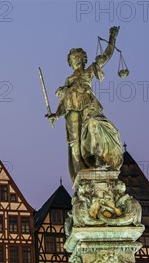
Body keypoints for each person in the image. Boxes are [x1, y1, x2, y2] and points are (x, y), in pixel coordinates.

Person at [47, 26, 123, 183]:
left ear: (83, 59)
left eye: (78, 56)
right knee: (74, 140)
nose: (75, 59)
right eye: (73, 58)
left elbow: (105, 57)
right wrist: (55, 114)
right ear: (70, 62)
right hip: (70, 111)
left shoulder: (88, 71)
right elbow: (64, 101)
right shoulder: (68, 81)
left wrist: (112, 39)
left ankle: (99, 159)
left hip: (87, 105)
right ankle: (80, 172)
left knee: (94, 126)